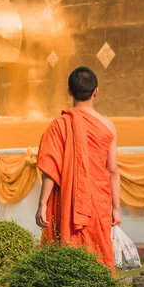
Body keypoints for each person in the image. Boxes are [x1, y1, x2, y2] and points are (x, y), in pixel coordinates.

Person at [35, 66, 121, 275]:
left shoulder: (59, 125)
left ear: (69, 92)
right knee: (97, 250)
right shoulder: (108, 126)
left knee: (67, 249)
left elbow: (51, 170)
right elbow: (113, 170)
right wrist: (116, 208)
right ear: (96, 92)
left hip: (67, 198)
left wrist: (42, 203)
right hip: (98, 199)